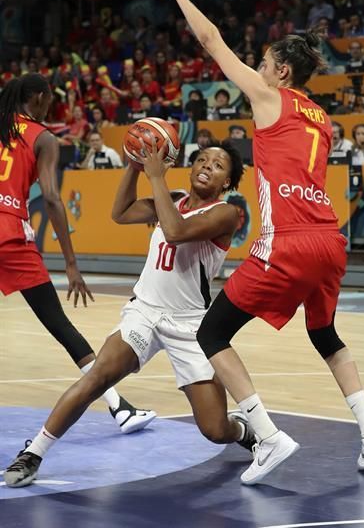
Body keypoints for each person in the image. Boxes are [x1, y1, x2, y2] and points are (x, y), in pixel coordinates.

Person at [157, 0, 364, 486]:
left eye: (262, 62)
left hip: (286, 239)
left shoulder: (270, 95)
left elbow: (212, 41)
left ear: (281, 71)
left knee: (211, 333)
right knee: (326, 335)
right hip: (330, 239)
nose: (256, 70)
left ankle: (268, 435)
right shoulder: (323, 119)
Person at [4, 139, 253, 488]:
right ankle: (34, 453)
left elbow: (176, 232)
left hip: (190, 325)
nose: (205, 166)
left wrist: (155, 178)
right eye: (201, 160)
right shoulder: (174, 198)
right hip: (145, 313)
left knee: (215, 429)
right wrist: (133, 167)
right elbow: (120, 213)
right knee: (97, 378)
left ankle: (242, 428)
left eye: (217, 165)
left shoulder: (226, 213)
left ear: (227, 182)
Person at [0, 75, 155, 455]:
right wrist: (71, 264)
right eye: (49, 99)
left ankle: (121, 407)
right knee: (59, 325)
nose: (50, 106)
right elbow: (51, 199)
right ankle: (119, 407)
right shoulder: (42, 136)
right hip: (10, 233)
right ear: (37, 97)